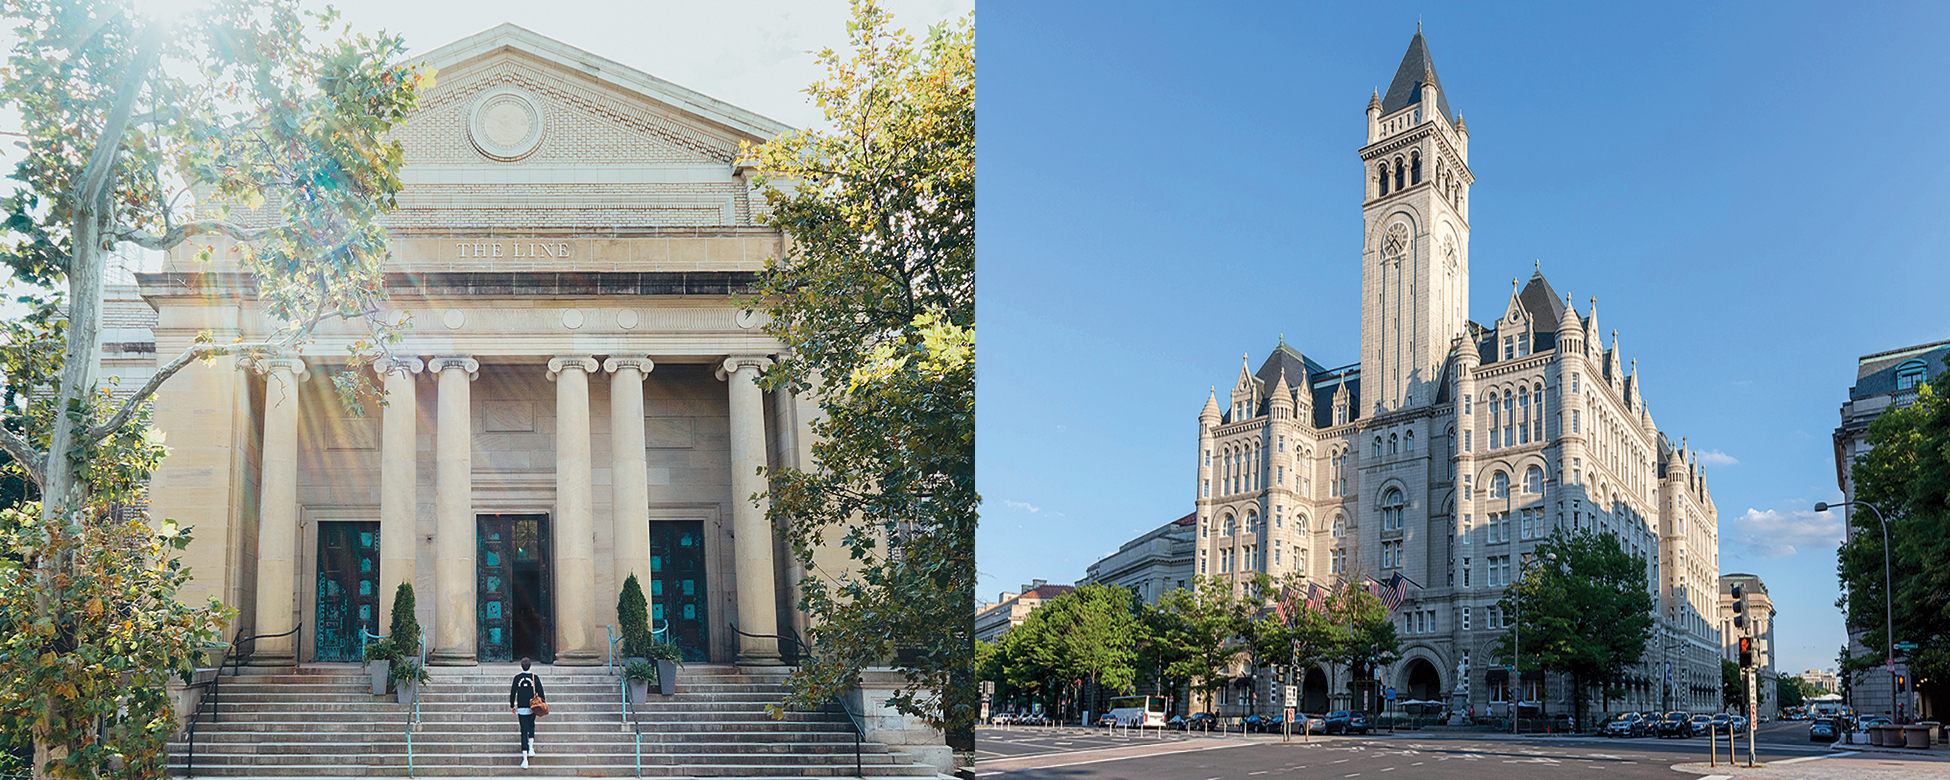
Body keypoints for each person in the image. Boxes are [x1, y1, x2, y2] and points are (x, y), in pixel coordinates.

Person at [510, 658, 545, 768]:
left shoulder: (517, 678)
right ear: (530, 666)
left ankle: (525, 759)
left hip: (521, 708)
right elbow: (541, 693)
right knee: (531, 726)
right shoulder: (535, 678)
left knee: (523, 732)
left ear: (521, 666)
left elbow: (512, 693)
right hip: (532, 708)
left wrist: (512, 705)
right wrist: (542, 703)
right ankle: (531, 748)